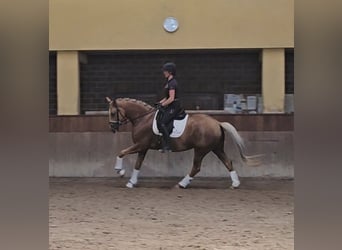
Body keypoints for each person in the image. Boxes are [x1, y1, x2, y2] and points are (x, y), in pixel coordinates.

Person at [156, 62, 183, 153]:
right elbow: (166, 97)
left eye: (165, 71)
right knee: (159, 120)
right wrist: (159, 103)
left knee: (163, 122)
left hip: (174, 106)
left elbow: (171, 98)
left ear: (170, 72)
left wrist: (163, 105)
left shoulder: (172, 83)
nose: (164, 72)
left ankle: (168, 145)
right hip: (170, 105)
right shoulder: (168, 83)